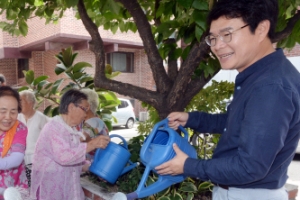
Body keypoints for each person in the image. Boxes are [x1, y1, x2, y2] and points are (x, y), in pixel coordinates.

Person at [155, 1, 300, 200]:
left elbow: (250, 167)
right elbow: (236, 123)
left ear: (261, 29)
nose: (218, 46)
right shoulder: (259, 76)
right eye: (213, 38)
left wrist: (188, 165)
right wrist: (192, 119)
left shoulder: (270, 87)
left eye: (227, 34)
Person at [30, 89, 110, 200]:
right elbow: (64, 157)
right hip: (52, 191)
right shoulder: (53, 127)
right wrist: (92, 144)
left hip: (69, 189)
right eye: (84, 109)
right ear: (71, 107)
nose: (86, 114)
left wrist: (95, 168)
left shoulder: (71, 130)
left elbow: (76, 160)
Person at [17, 90, 50, 187]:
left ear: (30, 103)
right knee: (23, 189)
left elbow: (48, 140)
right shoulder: (18, 118)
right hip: (20, 161)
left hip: (36, 162)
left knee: (35, 188)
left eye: (21, 101)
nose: (18, 103)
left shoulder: (41, 118)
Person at [0, 86, 28, 198]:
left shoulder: (20, 128)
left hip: (14, 189)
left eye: (13, 112)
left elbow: (16, 158)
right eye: (2, 111)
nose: (8, 117)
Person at [80, 88, 109, 172]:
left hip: (93, 167)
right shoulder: (94, 120)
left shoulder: (94, 122)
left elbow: (82, 138)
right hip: (92, 166)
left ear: (87, 106)